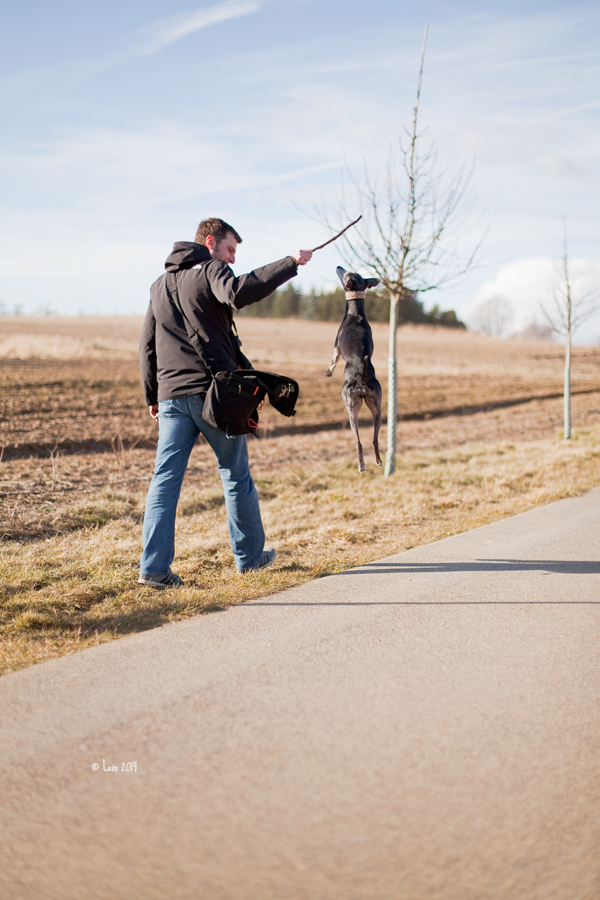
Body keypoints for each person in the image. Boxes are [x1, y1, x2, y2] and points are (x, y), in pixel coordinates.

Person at [138, 217, 312, 588]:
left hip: (171, 398)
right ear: (211, 242)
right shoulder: (211, 270)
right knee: (235, 475)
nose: (232, 259)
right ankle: (249, 558)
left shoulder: (158, 285)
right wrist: (290, 263)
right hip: (212, 398)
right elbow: (238, 291)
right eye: (231, 250)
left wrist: (152, 395)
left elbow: (148, 345)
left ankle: (153, 570)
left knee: (164, 481)